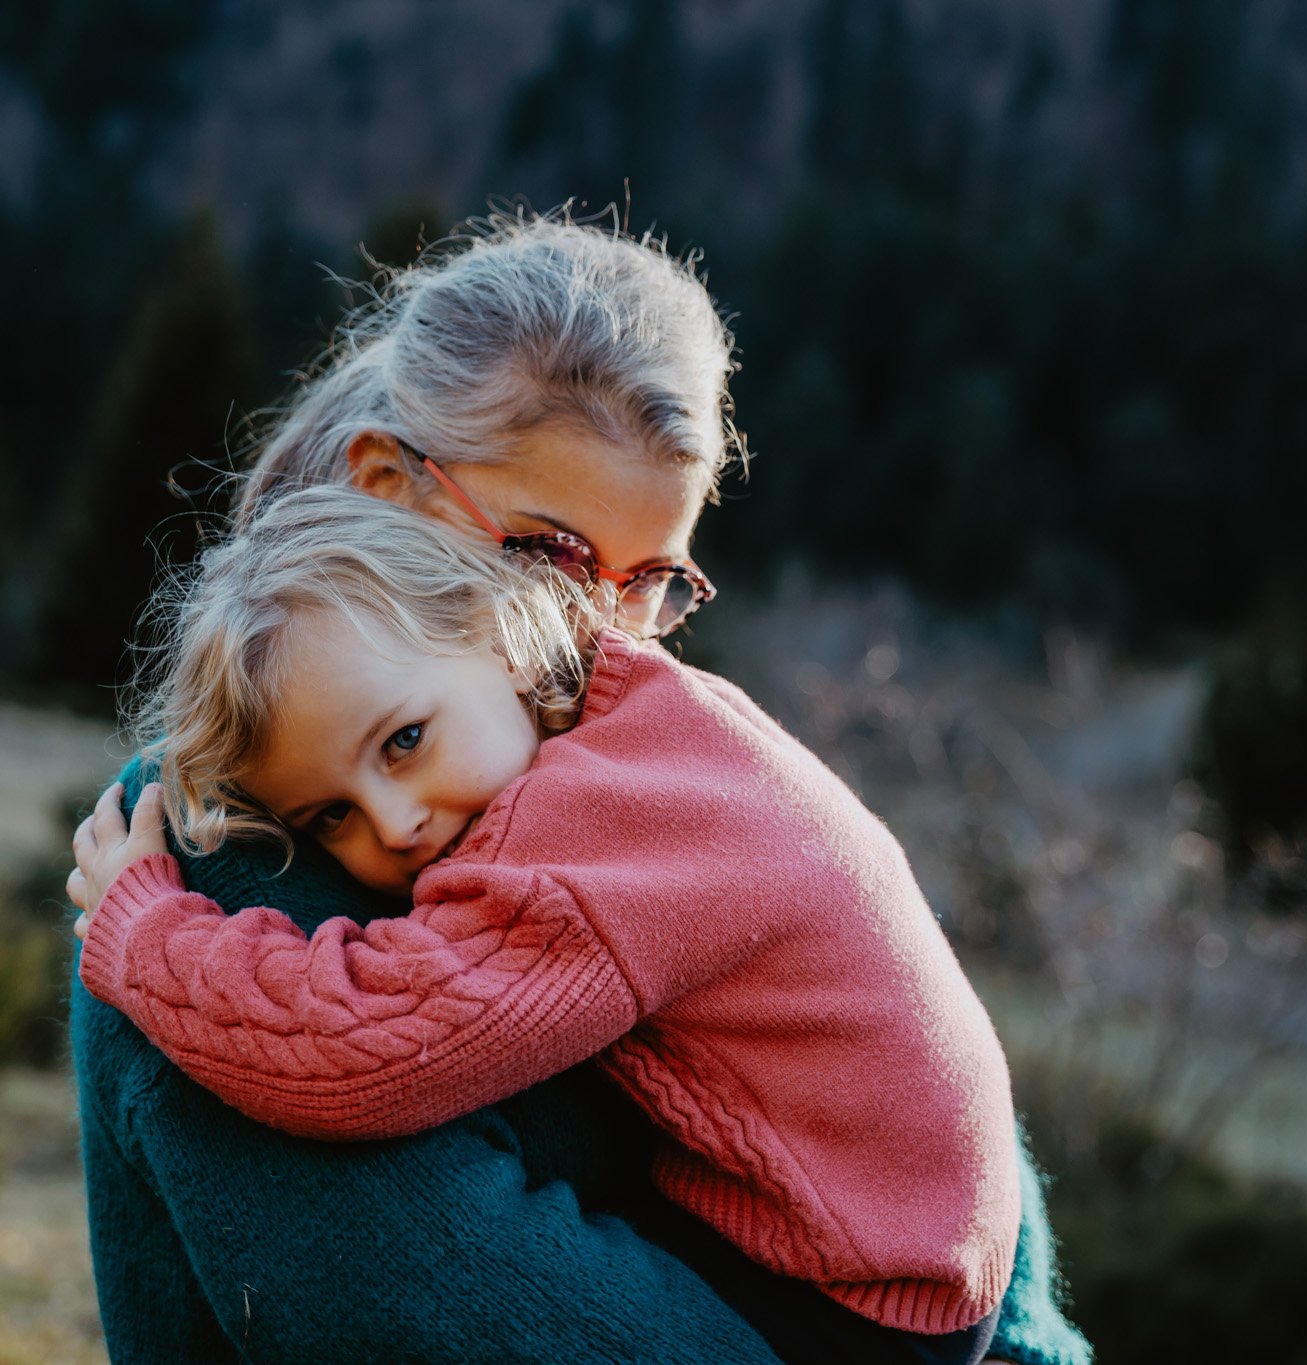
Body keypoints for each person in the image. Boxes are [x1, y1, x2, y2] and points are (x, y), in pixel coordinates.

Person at [66, 210, 1092, 1364]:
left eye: (652, 580)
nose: (601, 627)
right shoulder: (239, 811)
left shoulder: (623, 768)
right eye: (549, 556)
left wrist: (144, 932)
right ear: (387, 486)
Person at [73, 485, 1018, 1362]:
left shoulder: (586, 836)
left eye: (405, 741)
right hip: (917, 1242)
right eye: (331, 816)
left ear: (501, 637)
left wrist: (147, 931)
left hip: (853, 1300)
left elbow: (364, 1040)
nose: (395, 824)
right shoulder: (648, 712)